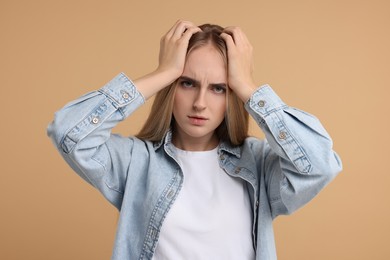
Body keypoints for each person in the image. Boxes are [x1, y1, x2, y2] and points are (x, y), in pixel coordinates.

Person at [47, 20, 342, 260]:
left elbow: (320, 165)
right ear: (171, 88)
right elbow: (68, 131)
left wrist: (247, 86)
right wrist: (163, 72)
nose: (200, 102)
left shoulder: (259, 165)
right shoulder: (137, 162)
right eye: (187, 83)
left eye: (218, 88)